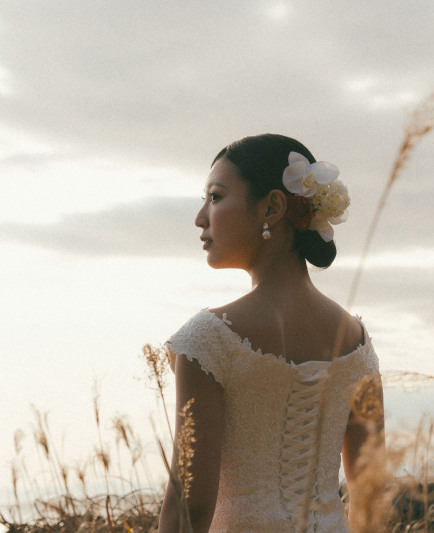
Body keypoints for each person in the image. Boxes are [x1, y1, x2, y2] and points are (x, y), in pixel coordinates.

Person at [157, 134, 384, 533]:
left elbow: (187, 511)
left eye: (214, 197)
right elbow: (372, 501)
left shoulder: (208, 342)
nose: (200, 217)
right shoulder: (356, 343)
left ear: (274, 206)